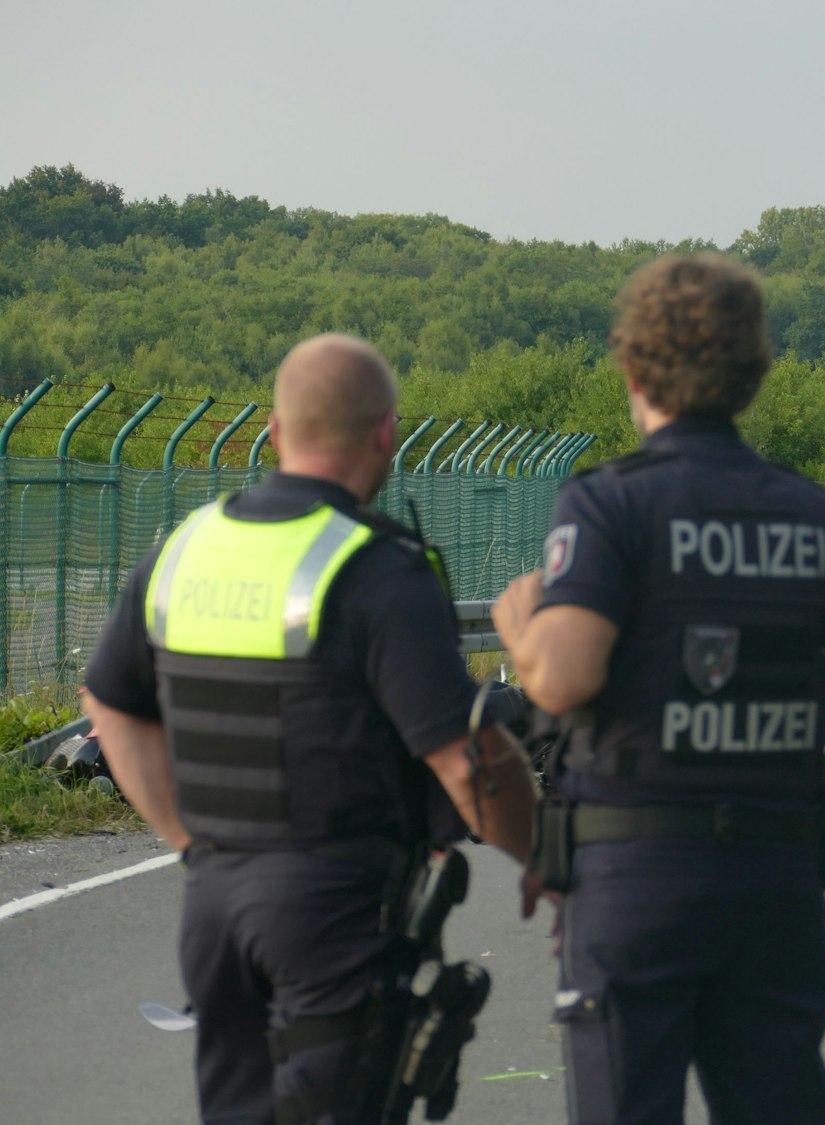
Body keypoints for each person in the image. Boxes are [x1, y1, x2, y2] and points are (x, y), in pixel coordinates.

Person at [493, 253, 825, 1125]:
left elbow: (564, 673)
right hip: (773, 880)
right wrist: (780, 650)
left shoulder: (608, 504)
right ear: (756, 371)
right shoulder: (809, 513)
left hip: (634, 880)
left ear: (631, 368)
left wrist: (520, 625)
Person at [81, 333, 538, 1125]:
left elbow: (110, 706)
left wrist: (190, 840)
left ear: (271, 430)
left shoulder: (185, 548)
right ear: (387, 432)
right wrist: (550, 860)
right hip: (333, 909)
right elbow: (466, 760)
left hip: (214, 905)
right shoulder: (380, 570)